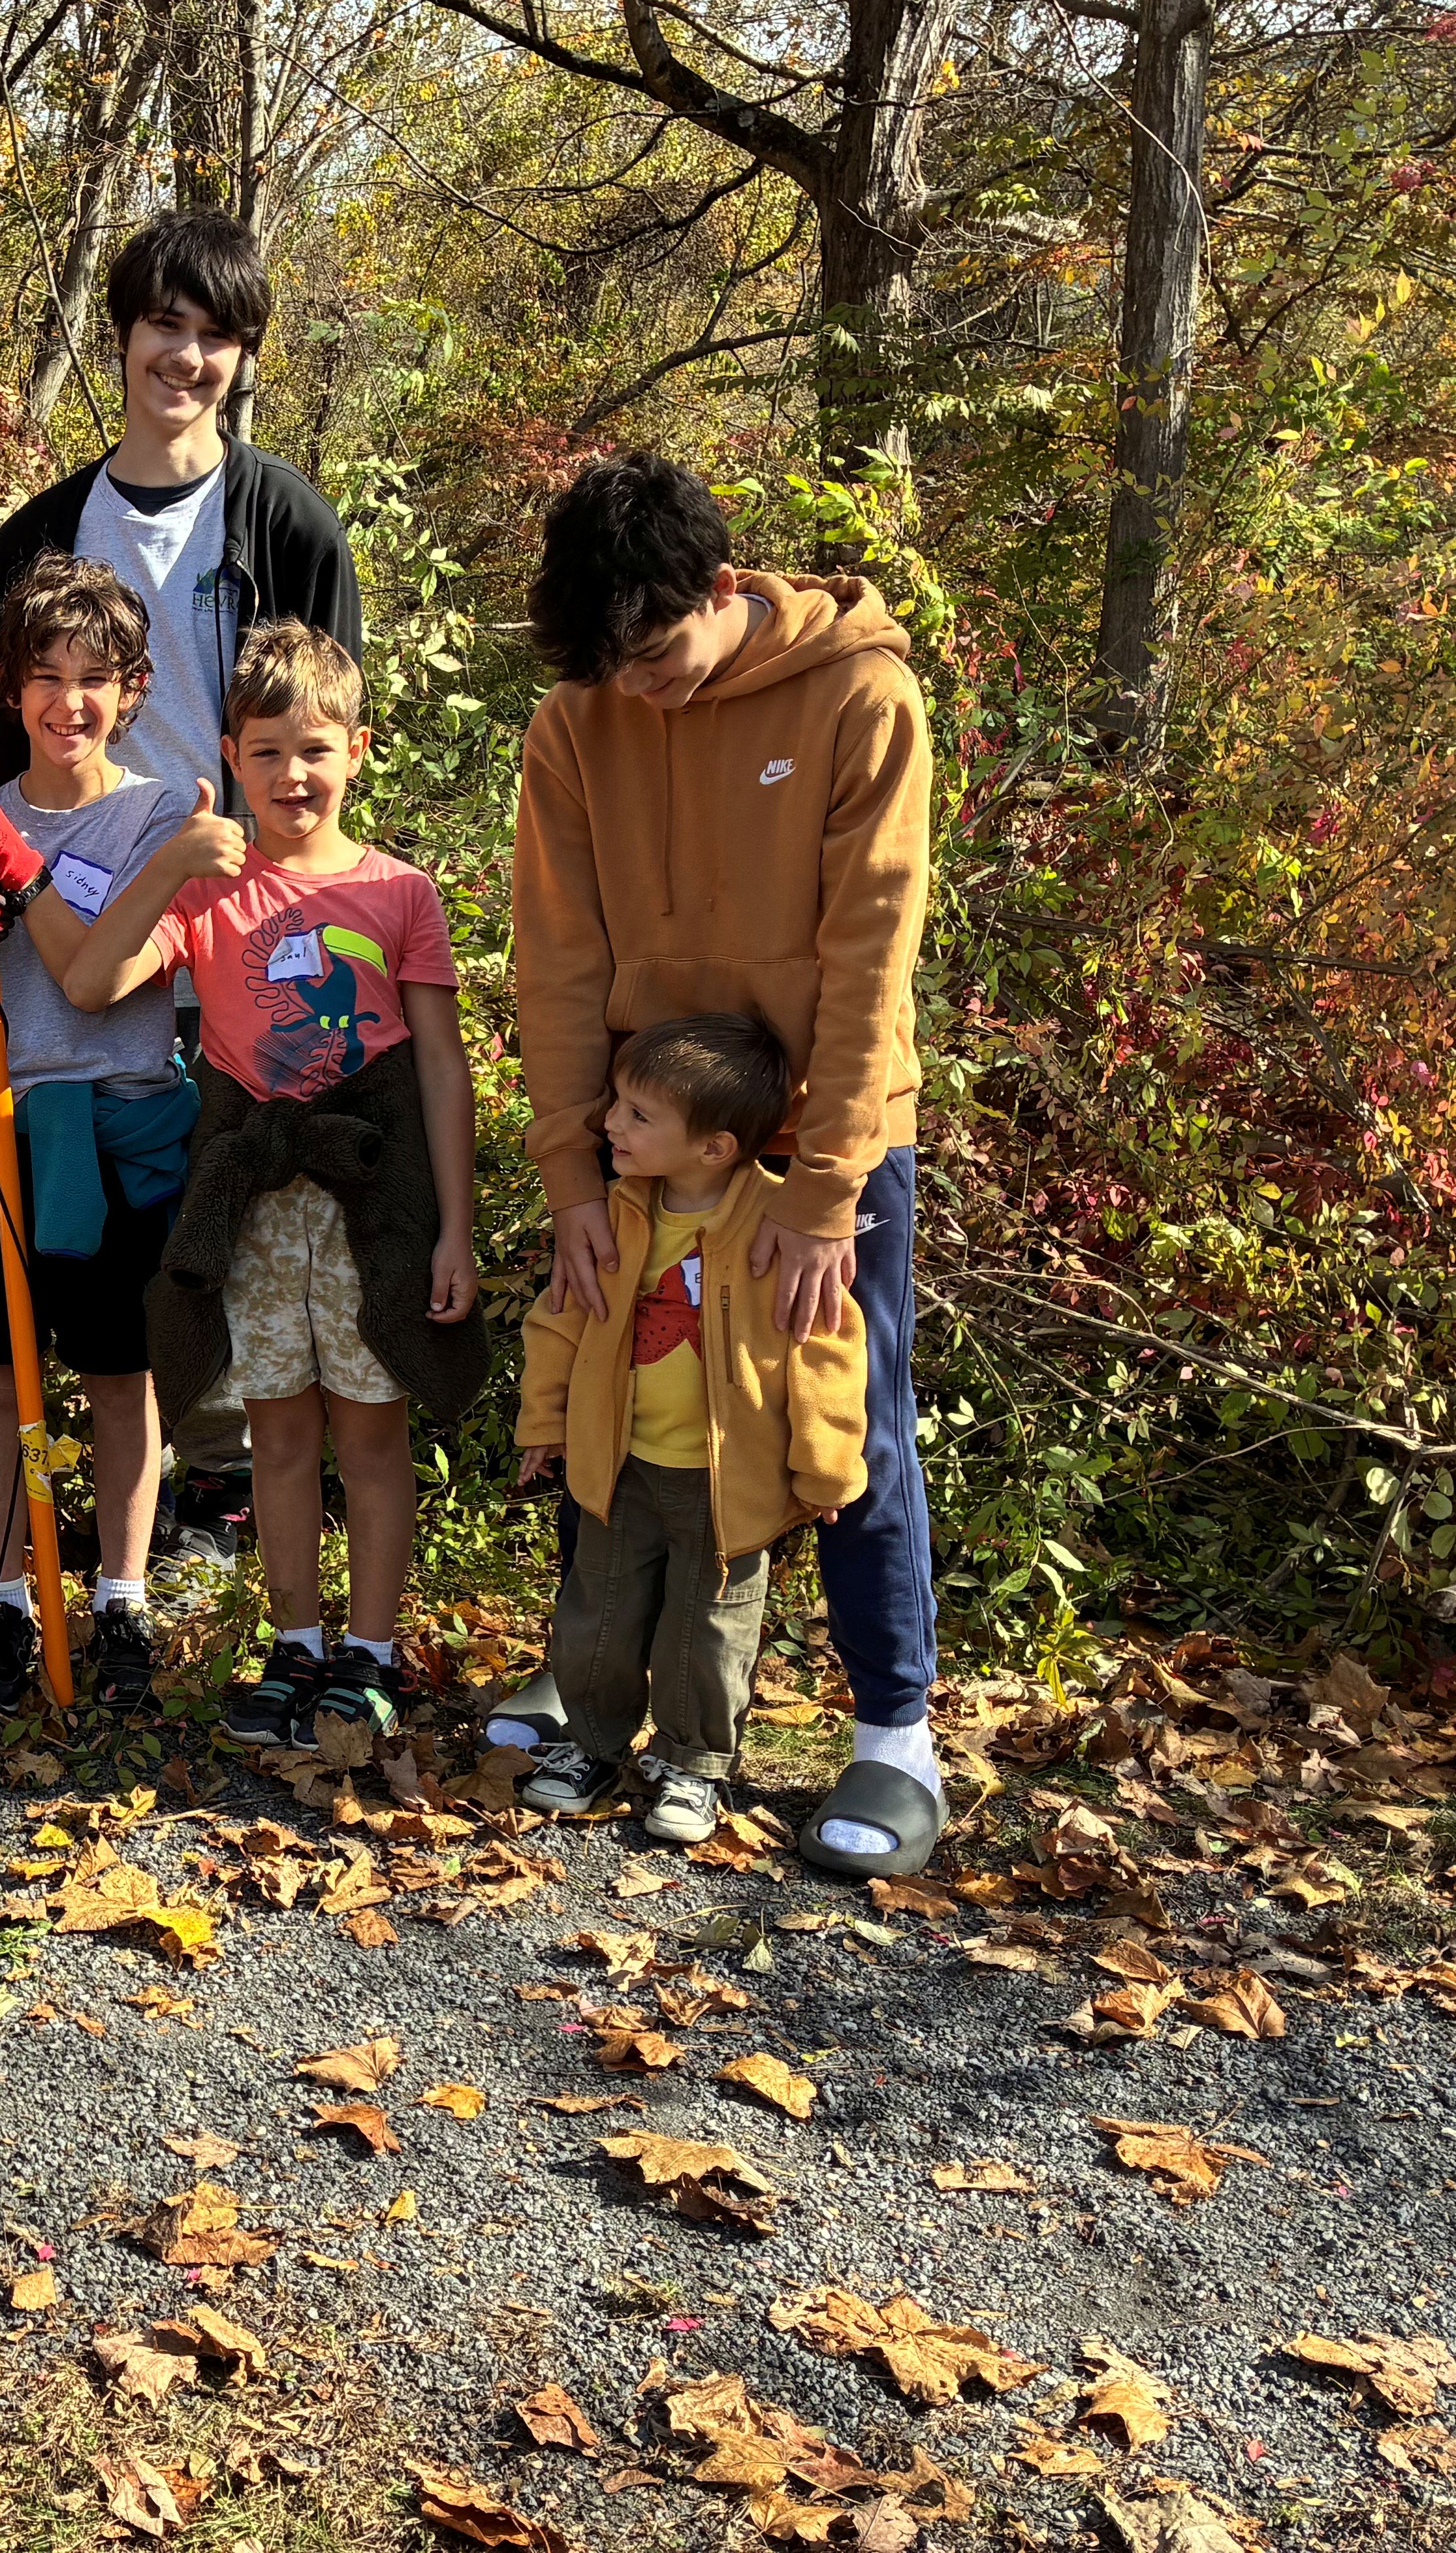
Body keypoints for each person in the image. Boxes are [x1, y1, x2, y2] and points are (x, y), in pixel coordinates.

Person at [515, 453, 942, 1877]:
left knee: (841, 1417)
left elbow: (872, 953)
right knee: (613, 1394)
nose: (640, 691)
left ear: (719, 587)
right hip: (644, 1144)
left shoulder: (858, 695)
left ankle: (895, 1742)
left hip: (825, 1143)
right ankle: (599, 1700)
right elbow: (561, 962)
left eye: (654, 656)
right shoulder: (579, 725)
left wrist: (826, 1190)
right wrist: (577, 1174)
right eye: (609, 670)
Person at [0, 212, 364, 1581]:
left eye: (216, 335)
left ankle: (234, 1484)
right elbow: (7, 741)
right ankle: (87, 1492)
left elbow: (329, 720)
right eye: (166, 326)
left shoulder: (284, 518)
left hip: (246, 897)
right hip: (94, 910)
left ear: (242, 354)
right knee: (119, 1183)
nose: (187, 356)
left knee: (242, 1186)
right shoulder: (45, 531)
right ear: (125, 335)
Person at [56, 620, 483, 1749]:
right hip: (251, 1204)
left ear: (358, 748)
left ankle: (371, 1651)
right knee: (279, 1434)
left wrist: (456, 1228)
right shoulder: (210, 889)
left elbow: (440, 1067)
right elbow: (94, 979)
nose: (292, 775)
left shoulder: (399, 892)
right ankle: (295, 1643)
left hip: (372, 1205)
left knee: (373, 1430)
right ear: (231, 757)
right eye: (266, 752)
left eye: (314, 748)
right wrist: (171, 863)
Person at [0, 558, 195, 1714]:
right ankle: (2, 1594)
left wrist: (22, 882)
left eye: (95, 680)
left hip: (114, 1128)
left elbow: (96, 978)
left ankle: (120, 1593)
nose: (68, 703)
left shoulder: (164, 815)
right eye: (45, 678)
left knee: (119, 1375)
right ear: (13, 689)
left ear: (130, 690)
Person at [511, 1016, 868, 1842]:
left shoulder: (778, 1229)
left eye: (638, 1115)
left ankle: (692, 1764)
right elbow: (561, 1319)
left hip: (725, 1482)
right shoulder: (614, 1216)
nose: (611, 1126)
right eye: (618, 1107)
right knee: (596, 1614)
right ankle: (592, 1745)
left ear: (713, 1148)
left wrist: (824, 1470)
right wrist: (546, 1419)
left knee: (706, 1629)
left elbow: (827, 1352)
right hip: (620, 1465)